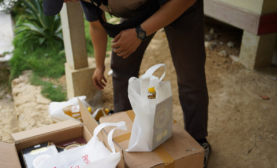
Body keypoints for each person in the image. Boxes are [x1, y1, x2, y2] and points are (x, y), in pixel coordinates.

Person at [44, 0, 211, 167]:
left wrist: (140, 32)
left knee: (190, 75)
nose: (67, 1)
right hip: (144, 8)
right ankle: (122, 125)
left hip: (180, 5)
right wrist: (99, 66)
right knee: (121, 63)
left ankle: (197, 141)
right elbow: (96, 26)